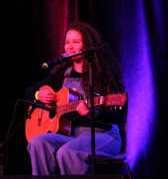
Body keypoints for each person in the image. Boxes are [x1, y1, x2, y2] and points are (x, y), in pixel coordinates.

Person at [25, 21, 125, 175]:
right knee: (38, 142)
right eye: (67, 42)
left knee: (67, 152)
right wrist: (39, 95)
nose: (69, 47)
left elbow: (117, 116)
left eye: (76, 42)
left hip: (104, 135)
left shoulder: (102, 74)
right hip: (72, 135)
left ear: (88, 45)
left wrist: (93, 113)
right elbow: (30, 91)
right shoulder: (63, 73)